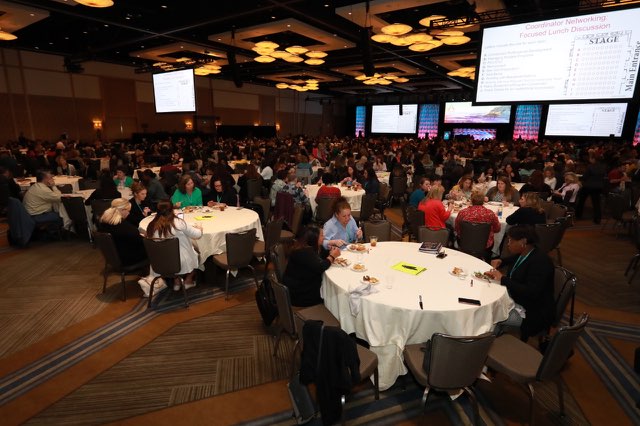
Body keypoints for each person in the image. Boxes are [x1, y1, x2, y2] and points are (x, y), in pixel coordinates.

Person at [485, 225, 555, 340]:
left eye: (511, 241)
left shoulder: (540, 263)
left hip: (531, 311)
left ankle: (489, 340)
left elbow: (531, 292)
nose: (508, 244)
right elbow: (515, 259)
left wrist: (503, 278)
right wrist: (501, 261)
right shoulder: (527, 252)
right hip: (518, 299)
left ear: (523, 242)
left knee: (490, 313)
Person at [145, 200, 203, 291]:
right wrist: (200, 228)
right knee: (198, 253)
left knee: (175, 254)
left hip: (158, 262)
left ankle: (177, 282)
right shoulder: (178, 223)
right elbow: (197, 235)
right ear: (172, 210)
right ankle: (188, 281)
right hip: (179, 261)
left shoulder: (151, 225)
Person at [283, 225, 340, 307]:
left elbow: (322, 256)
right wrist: (332, 256)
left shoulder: (310, 247)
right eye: (321, 235)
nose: (324, 237)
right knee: (334, 294)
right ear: (314, 238)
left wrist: (330, 252)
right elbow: (321, 267)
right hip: (301, 294)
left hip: (304, 285)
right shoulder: (304, 252)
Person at [99, 198, 149, 269]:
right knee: (154, 247)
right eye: (128, 211)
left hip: (115, 256)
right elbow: (139, 241)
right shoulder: (122, 226)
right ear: (122, 210)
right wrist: (146, 236)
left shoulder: (104, 221)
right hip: (128, 258)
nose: (129, 213)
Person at [455, 191, 501, 257]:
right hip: (485, 244)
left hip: (464, 242)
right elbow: (497, 229)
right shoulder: (490, 213)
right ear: (483, 201)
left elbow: (457, 228)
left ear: (471, 201)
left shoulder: (463, 212)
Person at [575, 155, 607, 224]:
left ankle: (578, 214)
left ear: (593, 159)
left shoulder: (590, 166)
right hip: (599, 187)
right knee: (596, 203)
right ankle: (597, 219)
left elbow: (585, 177)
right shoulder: (603, 167)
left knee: (581, 200)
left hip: (588, 186)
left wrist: (580, 178)